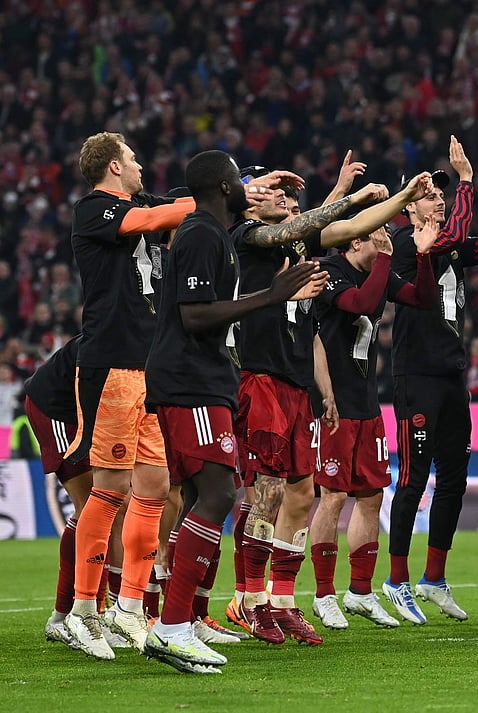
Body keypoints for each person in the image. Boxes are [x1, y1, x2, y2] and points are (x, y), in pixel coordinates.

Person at [142, 149, 326, 673]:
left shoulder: (214, 232)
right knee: (221, 491)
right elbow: (196, 315)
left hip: (202, 379)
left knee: (205, 494)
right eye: (242, 181)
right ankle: (172, 626)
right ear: (226, 188)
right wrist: (271, 296)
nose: (255, 189)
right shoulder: (202, 234)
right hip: (190, 380)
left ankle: (182, 620)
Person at [226, 163, 391, 645]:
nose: (288, 204)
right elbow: (312, 224)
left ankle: (281, 600)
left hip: (298, 384)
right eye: (277, 194)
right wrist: (349, 196)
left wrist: (396, 198)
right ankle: (248, 598)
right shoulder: (247, 236)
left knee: (302, 494)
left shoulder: (297, 249)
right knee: (268, 492)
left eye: (293, 200)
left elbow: (335, 229)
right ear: (248, 198)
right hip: (260, 378)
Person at [63, 132, 197, 659]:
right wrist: (199, 203)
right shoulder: (91, 210)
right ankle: (81, 612)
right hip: (109, 365)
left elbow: (183, 206)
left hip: (150, 368)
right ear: (114, 167)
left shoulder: (146, 204)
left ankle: (129, 606)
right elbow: (148, 220)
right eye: (135, 159)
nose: (142, 166)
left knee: (156, 486)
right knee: (112, 486)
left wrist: (247, 190)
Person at [385, 137, 478, 625]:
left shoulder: (453, 247)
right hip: (415, 375)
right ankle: (396, 581)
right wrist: (466, 180)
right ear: (408, 206)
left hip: (449, 376)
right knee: (415, 478)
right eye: (428, 193)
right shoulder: (407, 242)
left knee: (455, 481)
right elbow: (456, 232)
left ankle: (434, 578)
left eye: (442, 193)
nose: (438, 198)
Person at [309, 203, 440, 631]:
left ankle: (361, 592)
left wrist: (421, 256)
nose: (385, 237)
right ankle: (324, 594)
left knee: (371, 496)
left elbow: (421, 298)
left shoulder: (377, 272)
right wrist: (387, 257)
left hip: (367, 404)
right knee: (332, 496)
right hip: (332, 404)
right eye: (377, 233)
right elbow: (364, 305)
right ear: (356, 239)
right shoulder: (330, 270)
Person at [23, 336, 96, 645]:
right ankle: (65, 615)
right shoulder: (117, 330)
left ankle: (94, 610)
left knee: (108, 507)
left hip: (82, 411)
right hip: (57, 407)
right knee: (94, 506)